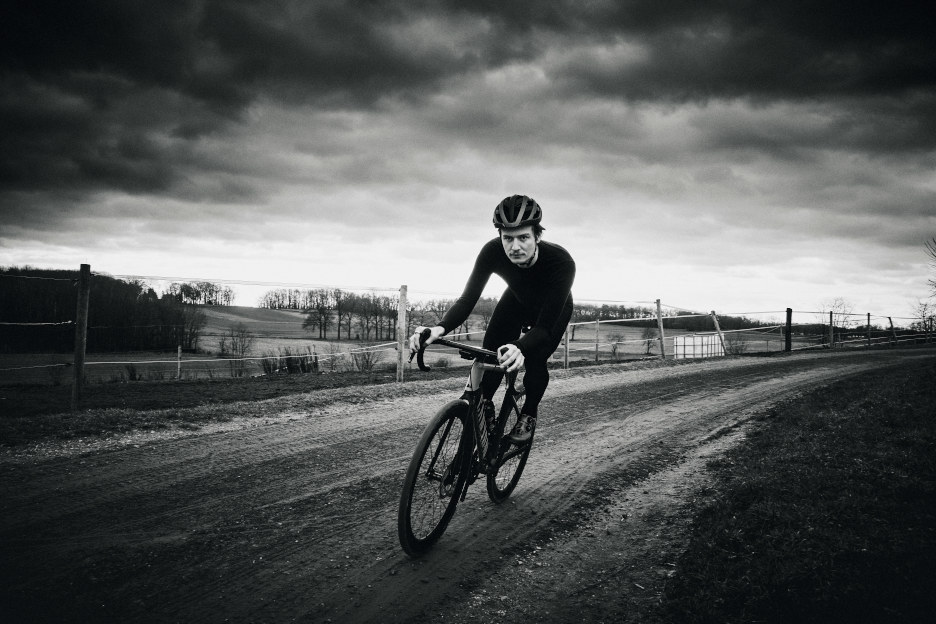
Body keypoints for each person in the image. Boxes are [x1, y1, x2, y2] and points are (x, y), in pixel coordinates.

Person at [409, 195, 575, 444]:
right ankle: (483, 408)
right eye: (508, 238)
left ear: (537, 236)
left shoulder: (561, 262)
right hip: (515, 301)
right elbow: (467, 300)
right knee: (490, 354)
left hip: (551, 311)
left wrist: (521, 346)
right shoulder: (492, 252)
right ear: (500, 237)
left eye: (523, 237)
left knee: (536, 357)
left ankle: (528, 413)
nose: (515, 246)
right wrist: (439, 328)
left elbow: (542, 327)